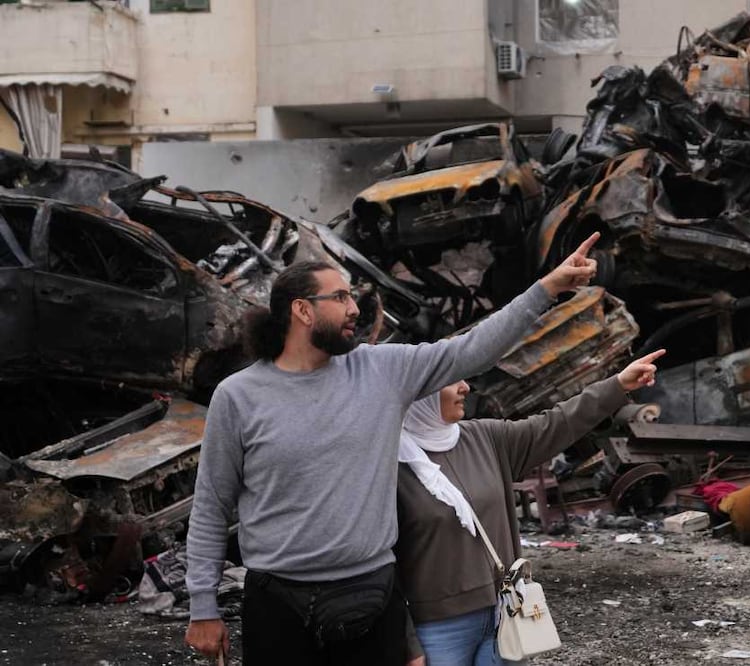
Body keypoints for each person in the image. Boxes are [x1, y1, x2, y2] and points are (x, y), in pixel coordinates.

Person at [184, 233, 602, 665]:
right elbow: (213, 504)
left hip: (369, 593)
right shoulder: (238, 396)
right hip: (277, 604)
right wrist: (203, 607)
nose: (354, 309)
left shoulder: (381, 369)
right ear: (303, 310)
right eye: (341, 297)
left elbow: (472, 349)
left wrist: (546, 289)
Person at [395, 348, 666, 665]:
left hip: (506, 611)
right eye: (451, 380)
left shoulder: (486, 438)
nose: (465, 387)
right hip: (438, 629)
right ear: (419, 392)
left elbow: (558, 423)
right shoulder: (388, 464)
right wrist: (406, 642)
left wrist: (617, 385)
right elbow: (382, 566)